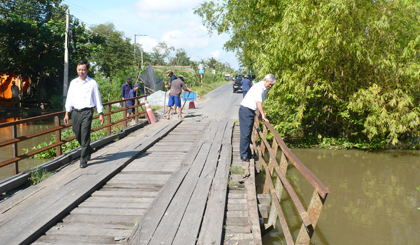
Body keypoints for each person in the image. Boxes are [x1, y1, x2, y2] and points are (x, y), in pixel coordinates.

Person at [64, 60, 104, 168]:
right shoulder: (73, 83)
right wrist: (67, 113)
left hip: (87, 111)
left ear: (87, 70)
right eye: (79, 70)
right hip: (76, 112)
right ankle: (88, 149)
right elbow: (69, 98)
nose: (81, 72)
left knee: (85, 134)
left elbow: (97, 98)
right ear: (77, 70)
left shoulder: (92, 83)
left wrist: (100, 113)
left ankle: (83, 159)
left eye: (83, 70)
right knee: (77, 132)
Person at [239, 74, 276, 162]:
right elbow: (259, 102)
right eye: (269, 84)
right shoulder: (259, 87)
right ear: (265, 80)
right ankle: (243, 155)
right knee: (245, 133)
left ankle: (248, 153)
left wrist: (259, 114)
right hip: (246, 110)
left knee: (248, 132)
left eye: (272, 85)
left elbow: (259, 103)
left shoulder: (264, 89)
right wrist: (263, 115)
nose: (270, 86)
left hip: (251, 110)